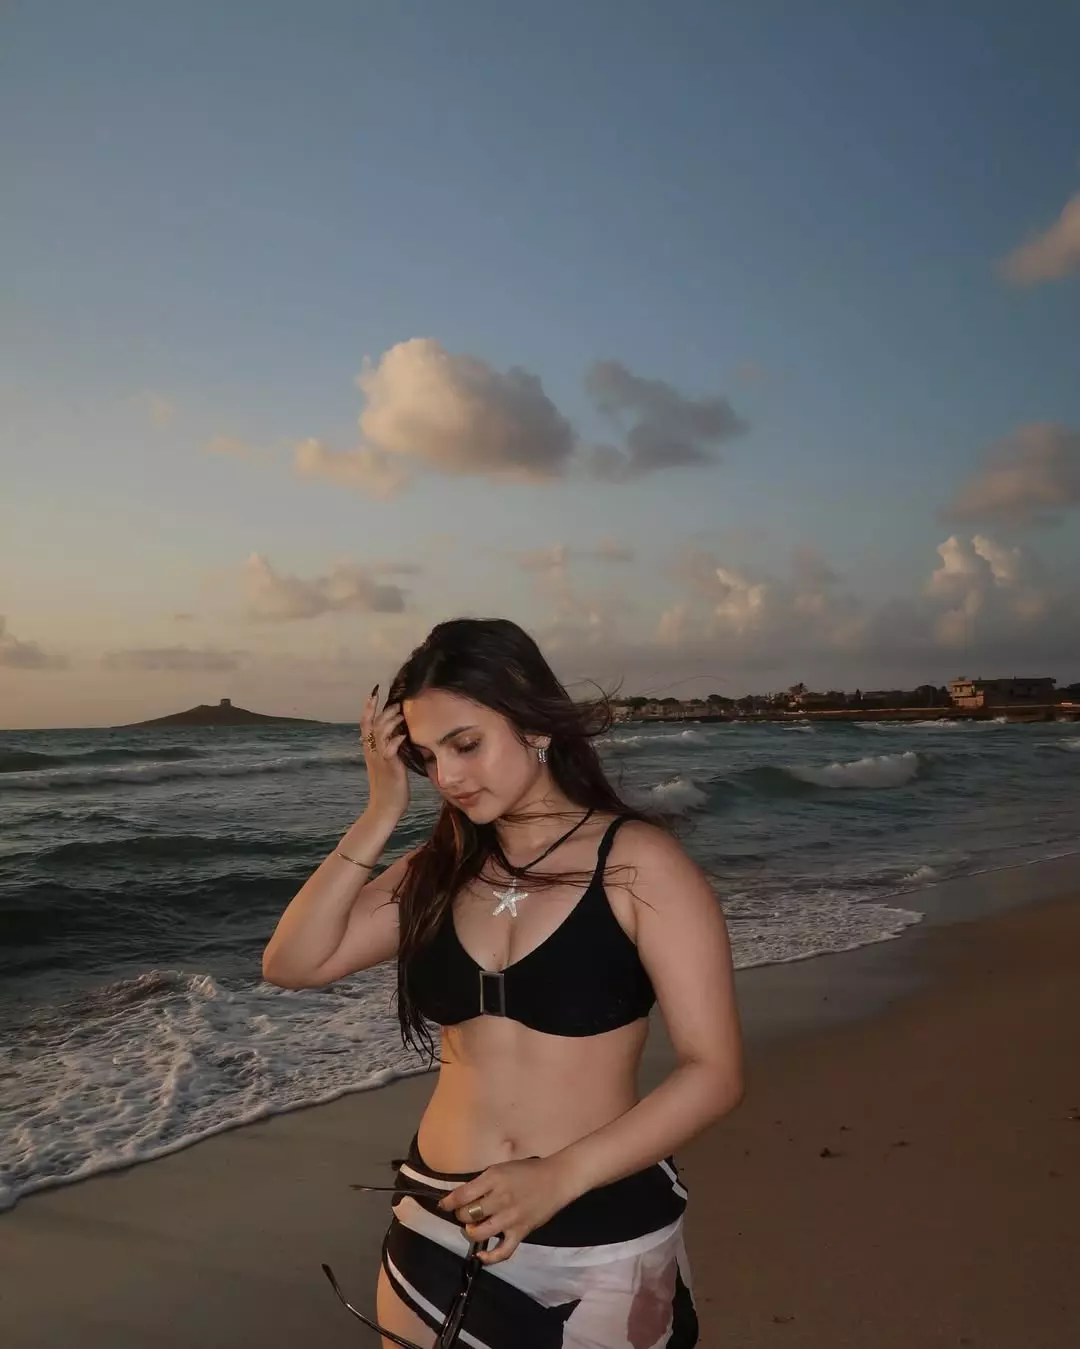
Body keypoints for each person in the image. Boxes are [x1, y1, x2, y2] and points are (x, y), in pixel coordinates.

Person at [263, 618, 743, 1347]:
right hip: (438, 1219)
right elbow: (292, 963)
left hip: (596, 1228)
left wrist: (560, 1175)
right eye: (427, 756)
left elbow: (715, 1072)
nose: (448, 777)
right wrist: (380, 811)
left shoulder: (639, 865)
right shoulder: (437, 870)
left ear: (534, 726)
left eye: (466, 744)